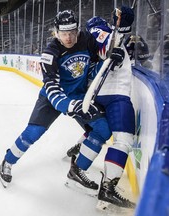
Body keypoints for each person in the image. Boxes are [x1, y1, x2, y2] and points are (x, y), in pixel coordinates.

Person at [0, 10, 120, 192]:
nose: (69, 37)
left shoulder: (86, 40)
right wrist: (69, 105)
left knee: (103, 129)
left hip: (79, 96)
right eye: (64, 33)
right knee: (33, 133)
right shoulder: (50, 53)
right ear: (56, 32)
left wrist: (109, 62)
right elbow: (52, 88)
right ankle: (7, 161)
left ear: (78, 29)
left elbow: (93, 69)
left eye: (72, 32)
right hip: (52, 99)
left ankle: (76, 172)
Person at [66, 8, 136, 209]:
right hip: (116, 94)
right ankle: (107, 189)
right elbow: (111, 47)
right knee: (123, 140)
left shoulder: (85, 41)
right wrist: (121, 27)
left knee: (99, 133)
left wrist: (121, 33)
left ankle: (77, 170)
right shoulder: (101, 32)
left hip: (95, 94)